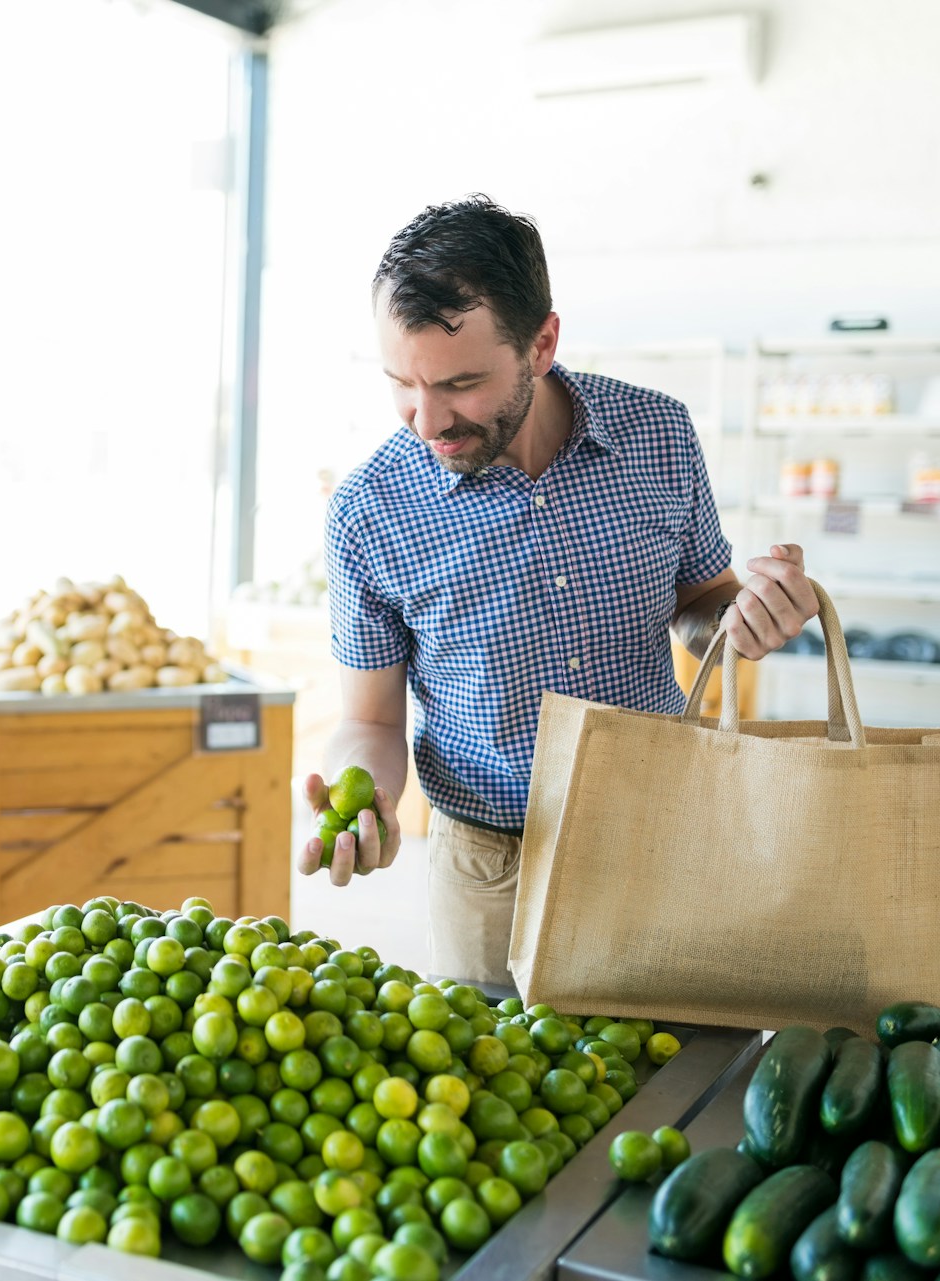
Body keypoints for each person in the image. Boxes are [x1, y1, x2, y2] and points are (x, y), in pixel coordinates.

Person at [295, 195, 818, 988]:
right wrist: (364, 800)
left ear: (542, 343)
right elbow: (370, 720)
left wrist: (745, 618)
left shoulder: (659, 434)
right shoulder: (369, 510)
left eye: (461, 384)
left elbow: (700, 602)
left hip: (659, 837)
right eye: (401, 382)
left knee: (667, 1082)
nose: (425, 419)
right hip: (490, 869)